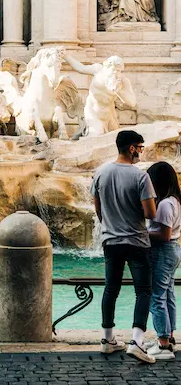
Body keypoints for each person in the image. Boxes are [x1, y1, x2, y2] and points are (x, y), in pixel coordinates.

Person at [91, 130, 157, 363]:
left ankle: (107, 339)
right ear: (131, 148)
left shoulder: (101, 173)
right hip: (137, 241)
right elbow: (150, 213)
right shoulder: (141, 177)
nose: (141, 151)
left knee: (111, 289)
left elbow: (98, 210)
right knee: (143, 291)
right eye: (139, 147)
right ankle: (137, 342)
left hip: (111, 241)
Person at [145, 161, 181, 360]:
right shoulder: (175, 200)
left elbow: (164, 235)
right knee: (168, 295)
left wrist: (142, 233)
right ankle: (169, 338)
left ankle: (164, 344)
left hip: (165, 250)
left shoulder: (166, 204)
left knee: (157, 296)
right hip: (173, 250)